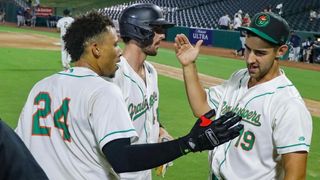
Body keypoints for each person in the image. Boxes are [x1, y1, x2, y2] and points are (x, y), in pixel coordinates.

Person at [15, 11, 243, 180]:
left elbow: (21, 146)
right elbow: (121, 158)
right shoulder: (106, 86)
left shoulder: (41, 86)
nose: (119, 51)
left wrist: (158, 131)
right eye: (114, 45)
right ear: (96, 49)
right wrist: (188, 143)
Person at [174, 12, 312, 179]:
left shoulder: (288, 104)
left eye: (260, 53)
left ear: (280, 51)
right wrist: (188, 65)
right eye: (247, 49)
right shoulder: (239, 77)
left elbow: (296, 175)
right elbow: (202, 108)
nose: (250, 59)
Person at [107, 3, 175, 179]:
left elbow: (151, 114)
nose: (163, 35)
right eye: (157, 29)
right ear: (139, 30)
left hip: (144, 172)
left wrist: (161, 131)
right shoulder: (114, 77)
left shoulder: (151, 71)